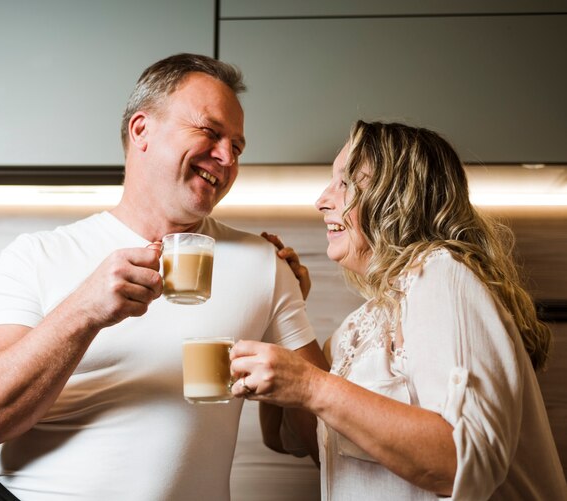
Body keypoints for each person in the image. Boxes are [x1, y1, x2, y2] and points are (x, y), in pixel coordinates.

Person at [0, 53, 327, 501]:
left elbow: (316, 440)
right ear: (141, 130)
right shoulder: (37, 255)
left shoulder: (263, 263)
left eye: (238, 146)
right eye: (209, 131)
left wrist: (291, 316)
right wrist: (83, 310)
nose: (226, 157)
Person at [230, 120, 567, 500]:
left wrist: (311, 386)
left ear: (399, 196)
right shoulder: (360, 326)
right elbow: (296, 439)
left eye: (346, 182)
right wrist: (284, 306)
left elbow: (463, 462)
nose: (322, 199)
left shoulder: (440, 272)